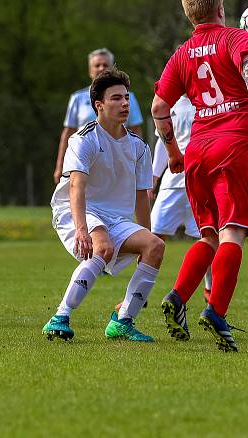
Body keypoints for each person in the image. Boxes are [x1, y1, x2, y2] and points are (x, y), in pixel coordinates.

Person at [152, 0, 248, 352]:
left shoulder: (181, 53)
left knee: (208, 234)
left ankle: (177, 297)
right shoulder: (237, 39)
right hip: (235, 144)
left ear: (191, 17)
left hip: (198, 151)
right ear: (221, 9)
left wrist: (173, 150)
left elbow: (160, 108)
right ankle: (216, 311)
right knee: (232, 232)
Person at [43, 68, 164, 342]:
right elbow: (77, 186)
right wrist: (82, 229)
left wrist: (146, 237)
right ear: (99, 105)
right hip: (78, 209)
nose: (125, 104)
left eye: (127, 97)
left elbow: (141, 196)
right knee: (104, 247)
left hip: (116, 218)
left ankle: (123, 322)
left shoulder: (139, 147)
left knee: (156, 246)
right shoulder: (84, 139)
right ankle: (60, 316)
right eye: (116, 98)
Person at [150, 95, 212, 312]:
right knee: (152, 238)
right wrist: (154, 177)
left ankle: (210, 291)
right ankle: (140, 294)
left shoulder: (208, 99)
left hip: (201, 181)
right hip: (172, 182)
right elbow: (162, 141)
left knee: (208, 238)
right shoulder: (171, 103)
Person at [53, 48, 145, 184]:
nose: (101, 68)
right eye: (97, 65)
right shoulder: (77, 98)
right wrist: (59, 165)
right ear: (90, 71)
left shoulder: (128, 98)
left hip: (116, 159)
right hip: (83, 158)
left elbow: (136, 130)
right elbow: (68, 132)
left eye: (105, 65)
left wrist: (138, 163)